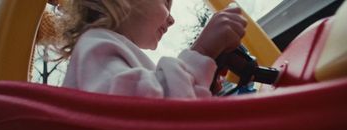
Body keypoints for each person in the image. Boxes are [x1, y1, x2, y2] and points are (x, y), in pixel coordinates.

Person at [59, 0, 247, 98]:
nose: (172, 20)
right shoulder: (94, 44)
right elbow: (142, 116)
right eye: (166, 2)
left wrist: (198, 88)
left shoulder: (106, 52)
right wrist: (201, 52)